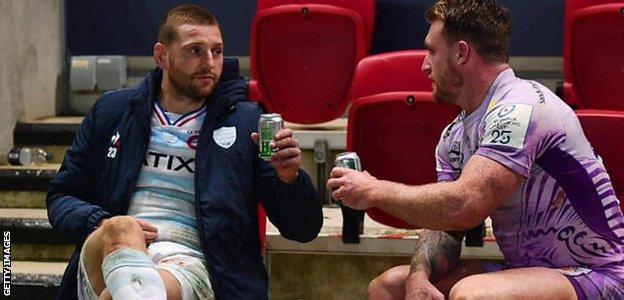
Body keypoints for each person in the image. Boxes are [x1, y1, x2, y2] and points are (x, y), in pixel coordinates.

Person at [327, 0, 624, 299]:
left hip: (597, 274)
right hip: (524, 270)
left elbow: (467, 204)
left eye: (431, 50)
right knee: (389, 288)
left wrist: (374, 190)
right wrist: (419, 275)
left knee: (473, 294)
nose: (424, 65)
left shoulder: (521, 109)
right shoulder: (454, 134)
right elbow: (445, 220)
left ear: (461, 53)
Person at [47, 5, 323, 300]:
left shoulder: (245, 123)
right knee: (121, 228)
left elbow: (302, 229)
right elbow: (61, 197)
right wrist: (98, 223)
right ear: (161, 56)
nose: (210, 63)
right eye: (195, 51)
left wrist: (290, 180)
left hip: (189, 261)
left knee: (128, 293)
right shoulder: (112, 111)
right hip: (108, 246)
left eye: (217, 51)